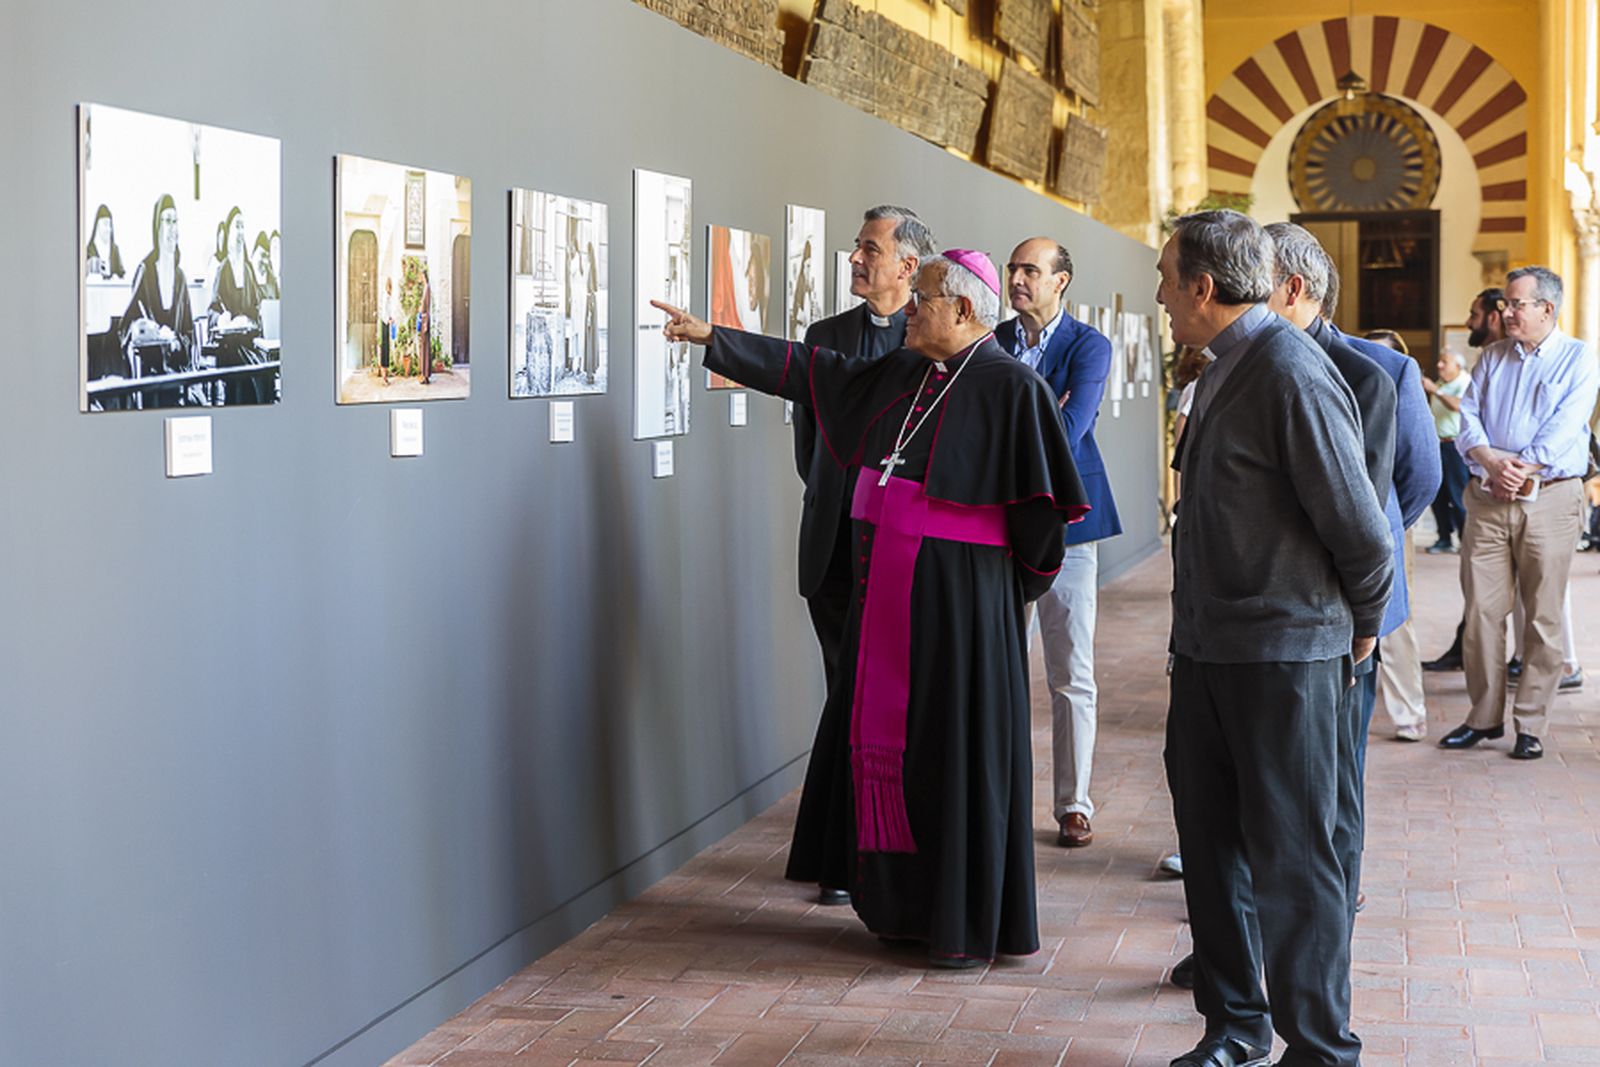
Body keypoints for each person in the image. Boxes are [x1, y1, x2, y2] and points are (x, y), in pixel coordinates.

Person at [652, 249, 1088, 967]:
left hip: (962, 613)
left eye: (920, 299)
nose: (906, 310)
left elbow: (1042, 533)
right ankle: (899, 906)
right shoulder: (904, 373)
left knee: (951, 756)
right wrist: (715, 339)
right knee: (894, 749)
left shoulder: (1015, 388)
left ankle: (957, 921)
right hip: (887, 594)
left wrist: (984, 593)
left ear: (964, 310)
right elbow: (812, 371)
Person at [1160, 210, 1391, 1067]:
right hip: (1210, 653)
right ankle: (1235, 1028)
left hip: (1287, 659)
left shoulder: (1291, 369)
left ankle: (1322, 1048)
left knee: (1297, 861)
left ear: (1203, 287)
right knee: (1212, 854)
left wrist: (1359, 630)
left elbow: (1362, 533)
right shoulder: (1221, 365)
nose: (1158, 293)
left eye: (1164, 276)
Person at [786, 206, 937, 906]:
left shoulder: (934, 337)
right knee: (844, 695)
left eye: (868, 248)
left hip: (905, 556)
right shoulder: (825, 338)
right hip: (835, 552)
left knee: (898, 706)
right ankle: (845, 854)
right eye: (856, 247)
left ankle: (894, 849)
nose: (855, 258)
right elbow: (808, 449)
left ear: (908, 266)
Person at [1439, 267, 1599, 760]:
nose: (1505, 312)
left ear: (1547, 309)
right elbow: (1469, 418)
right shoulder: (1491, 357)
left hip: (1550, 497)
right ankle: (1483, 718)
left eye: (1515, 304)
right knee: (1483, 613)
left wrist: (1521, 467)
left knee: (1542, 616)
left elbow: (1565, 426)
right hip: (1489, 497)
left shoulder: (1579, 359)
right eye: (1506, 304)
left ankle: (1530, 722)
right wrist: (1491, 461)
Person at [995, 237, 1121, 849]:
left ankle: (1074, 803)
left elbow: (1070, 430)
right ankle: (1002, 792)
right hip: (999, 530)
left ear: (1061, 281)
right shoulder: (991, 341)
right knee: (998, 666)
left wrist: (1015, 421)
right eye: (1013, 268)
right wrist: (1044, 406)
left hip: (1070, 530)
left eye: (1030, 270)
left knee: (1071, 671)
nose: (1017, 278)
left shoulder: (1089, 345)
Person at [1423, 288, 1505, 671]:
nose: (1469, 321)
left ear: (1493, 315)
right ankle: (1467, 651)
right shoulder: (1488, 360)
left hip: (1518, 483)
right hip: (1483, 480)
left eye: (1474, 314)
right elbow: (1470, 420)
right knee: (1477, 581)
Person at [1358, 329, 1434, 743]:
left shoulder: (1402, 384)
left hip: (1392, 520)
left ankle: (1409, 710)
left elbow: (1421, 468)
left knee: (1394, 616)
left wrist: (1395, 518)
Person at [120, 194, 196, 409]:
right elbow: (126, 328)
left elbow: (189, 331)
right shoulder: (144, 272)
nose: (172, 228)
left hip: (176, 368)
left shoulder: (180, 277)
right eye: (167, 221)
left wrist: (176, 341)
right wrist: (147, 330)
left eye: (175, 221)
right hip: (150, 372)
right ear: (157, 227)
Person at [209, 205, 266, 405]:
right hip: (229, 347)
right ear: (229, 232)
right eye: (237, 227)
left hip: (248, 342)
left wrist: (249, 319)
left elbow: (257, 308)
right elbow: (213, 310)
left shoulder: (248, 269)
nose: (241, 232)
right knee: (246, 377)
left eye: (243, 227)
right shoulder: (223, 268)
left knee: (263, 373)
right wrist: (222, 319)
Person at [1423, 345, 1470, 553]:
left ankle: (1465, 539)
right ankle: (1444, 537)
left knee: (1458, 494)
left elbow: (1458, 406)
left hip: (1455, 446)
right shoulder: (1441, 383)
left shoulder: (1465, 382)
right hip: (1437, 444)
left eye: (1445, 362)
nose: (1439, 365)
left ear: (1458, 366)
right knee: (1438, 495)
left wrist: (1435, 390)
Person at [85, 204, 124, 279]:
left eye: (110, 225)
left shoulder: (115, 250)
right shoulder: (89, 250)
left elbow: (121, 274)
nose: (108, 229)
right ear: (98, 226)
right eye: (105, 224)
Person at [379, 277, 394, 386]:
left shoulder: (388, 296)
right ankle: (384, 376)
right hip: (384, 324)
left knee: (386, 349)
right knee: (384, 349)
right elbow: (384, 311)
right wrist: (388, 320)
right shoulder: (386, 296)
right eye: (389, 285)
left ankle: (385, 376)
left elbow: (388, 311)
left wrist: (391, 318)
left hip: (386, 324)